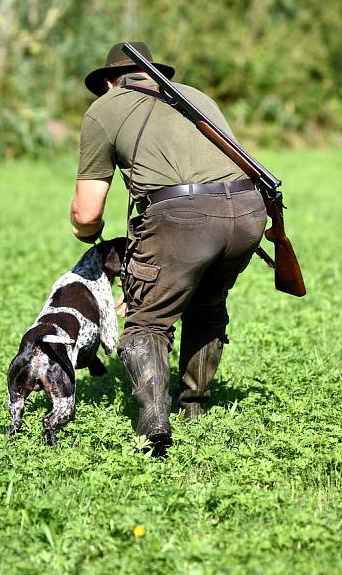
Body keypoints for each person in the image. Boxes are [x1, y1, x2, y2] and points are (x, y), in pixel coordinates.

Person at [70, 43, 267, 455]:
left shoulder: (104, 109)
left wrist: (88, 235)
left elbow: (87, 213)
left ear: (110, 82)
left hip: (182, 218)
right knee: (208, 305)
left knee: (148, 322)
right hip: (249, 210)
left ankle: (154, 422)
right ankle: (195, 406)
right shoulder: (197, 97)